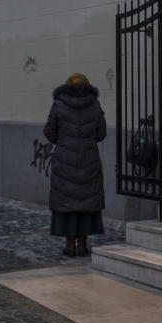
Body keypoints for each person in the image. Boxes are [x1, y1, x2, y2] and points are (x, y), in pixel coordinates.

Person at [43, 72, 106, 256]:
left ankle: (69, 245)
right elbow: (101, 133)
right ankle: (83, 245)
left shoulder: (59, 104)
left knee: (67, 202)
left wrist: (63, 141)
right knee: (87, 202)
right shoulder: (94, 105)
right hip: (89, 159)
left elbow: (49, 132)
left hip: (64, 160)